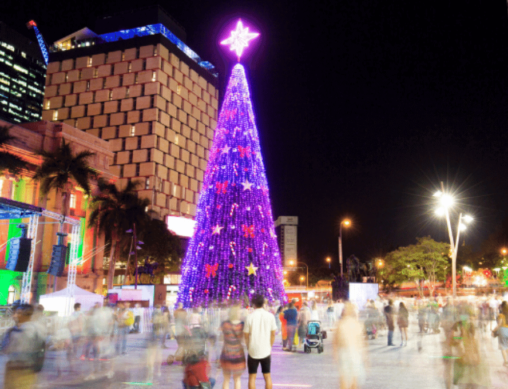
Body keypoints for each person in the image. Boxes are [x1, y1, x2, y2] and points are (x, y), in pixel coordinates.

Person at [1, 304, 45, 389]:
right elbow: (5, 348)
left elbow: (41, 350)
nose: (15, 315)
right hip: (12, 367)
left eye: (19, 313)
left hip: (26, 369)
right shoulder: (11, 330)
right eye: (15, 313)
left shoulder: (35, 330)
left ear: (27, 314)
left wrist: (37, 367)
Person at [244, 294, 277, 389]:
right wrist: (270, 345)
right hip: (266, 349)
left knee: (252, 376)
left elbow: (246, 335)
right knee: (267, 376)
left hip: (253, 350)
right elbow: (273, 334)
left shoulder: (249, 317)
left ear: (254, 304)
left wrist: (248, 346)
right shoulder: (270, 316)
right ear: (263, 303)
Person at [333, 302, 367, 389]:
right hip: (355, 353)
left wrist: (335, 355)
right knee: (354, 379)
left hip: (343, 353)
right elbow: (362, 343)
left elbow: (335, 342)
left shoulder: (340, 324)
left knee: (344, 379)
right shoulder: (357, 324)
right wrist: (365, 358)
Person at [220, 306, 246, 389]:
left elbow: (220, 337)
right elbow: (244, 339)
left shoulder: (225, 324)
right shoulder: (242, 325)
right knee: (237, 379)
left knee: (226, 379)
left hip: (226, 353)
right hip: (238, 354)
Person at [494, 301, 508, 366]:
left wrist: (494, 330)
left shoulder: (501, 315)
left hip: (503, 331)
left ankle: (505, 361)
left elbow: (499, 324)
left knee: (503, 346)